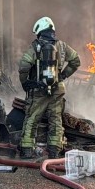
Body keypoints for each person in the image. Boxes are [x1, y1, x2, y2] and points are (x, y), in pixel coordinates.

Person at [18, 16, 80, 160]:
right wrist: (63, 75)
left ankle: (26, 150)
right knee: (56, 120)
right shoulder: (63, 46)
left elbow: (24, 66)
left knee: (32, 118)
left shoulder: (35, 46)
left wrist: (25, 83)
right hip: (57, 89)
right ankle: (54, 151)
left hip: (39, 90)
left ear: (39, 30)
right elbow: (76, 61)